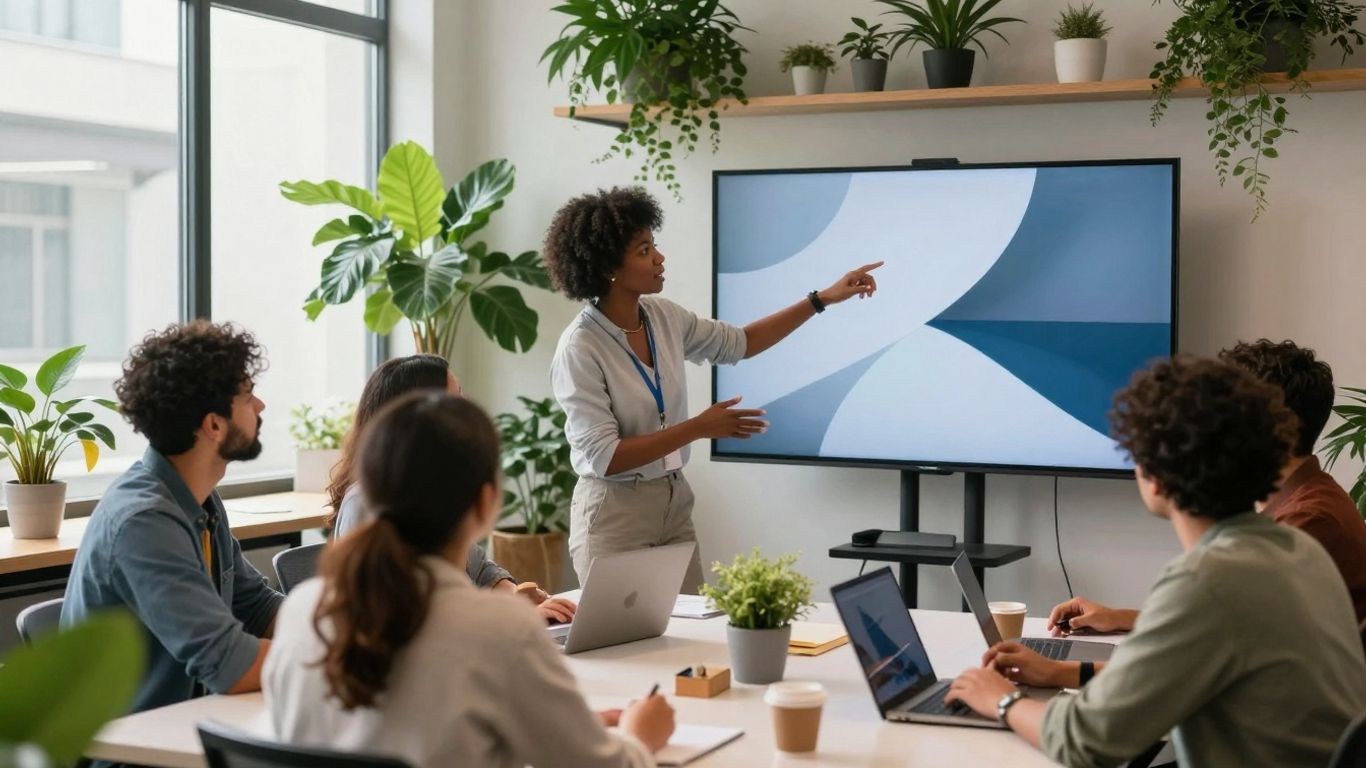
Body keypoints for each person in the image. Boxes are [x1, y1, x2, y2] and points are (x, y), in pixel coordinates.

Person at [945, 357, 1366, 767]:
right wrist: (1058, 672)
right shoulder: (1295, 550)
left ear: (1156, 477)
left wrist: (999, 698)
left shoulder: (1209, 580)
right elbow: (1173, 675)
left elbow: (1084, 742)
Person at [265, 392, 675, 768]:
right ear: (487, 501)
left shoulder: (303, 611)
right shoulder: (500, 629)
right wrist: (642, 736)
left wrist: (565, 726)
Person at [545, 186, 881, 591]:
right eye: (644, 249)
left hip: (673, 500)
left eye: (655, 245)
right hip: (615, 511)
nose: (659, 258)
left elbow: (741, 342)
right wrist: (699, 427)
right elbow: (606, 458)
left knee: (687, 639)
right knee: (623, 650)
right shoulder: (581, 347)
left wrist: (822, 298)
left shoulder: (663, 316)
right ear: (608, 268)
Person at [1048, 338, 1366, 634]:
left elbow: (1218, 636)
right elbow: (1224, 625)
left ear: (1268, 424)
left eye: (1228, 412)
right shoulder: (1305, 503)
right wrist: (1118, 618)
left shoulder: (1306, 523)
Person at [62, 321, 284, 717]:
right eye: (249, 395)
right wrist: (340, 659)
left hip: (184, 729)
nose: (260, 406)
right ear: (214, 424)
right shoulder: (144, 521)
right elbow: (228, 665)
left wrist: (344, 632)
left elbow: (257, 607)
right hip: (126, 755)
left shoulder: (200, 501)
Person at [327, 354, 575, 623]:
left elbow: (477, 565)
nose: (467, 405)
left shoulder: (433, 487)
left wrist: (513, 594)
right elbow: (406, 617)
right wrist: (508, 618)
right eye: (455, 398)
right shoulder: (365, 503)